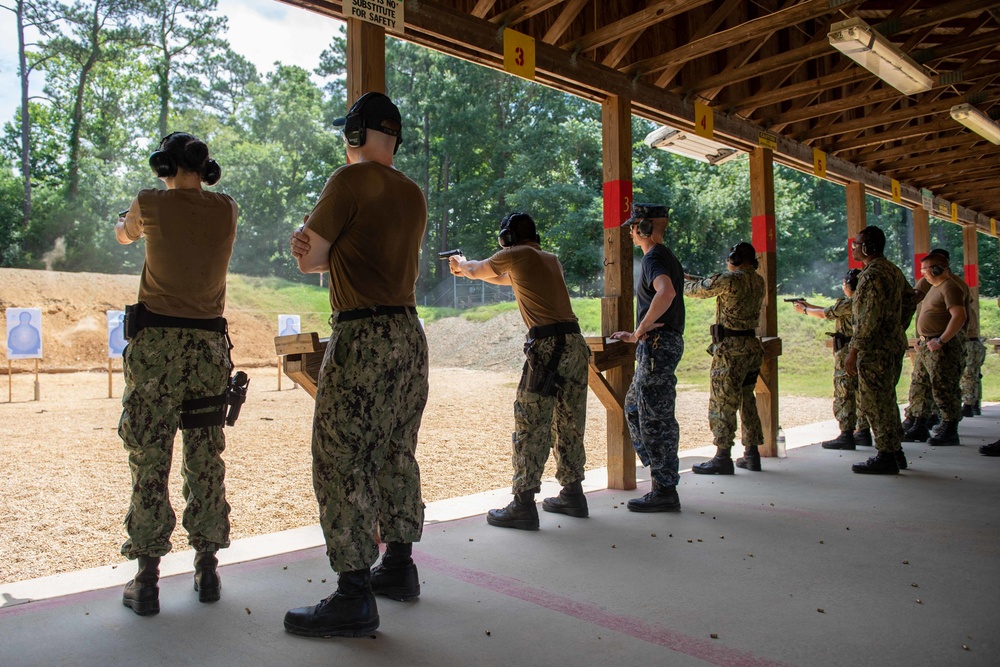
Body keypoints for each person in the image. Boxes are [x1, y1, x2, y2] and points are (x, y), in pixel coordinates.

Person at [283, 92, 429, 638]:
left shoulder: (348, 181)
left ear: (354, 133)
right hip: (409, 334)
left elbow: (311, 259)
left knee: (339, 458)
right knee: (395, 449)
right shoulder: (413, 192)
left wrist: (304, 248)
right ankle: (398, 566)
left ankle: (352, 594)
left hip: (363, 331)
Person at [115, 132, 237, 616]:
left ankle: (146, 578)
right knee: (205, 454)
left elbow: (125, 234)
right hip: (208, 347)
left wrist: (130, 220)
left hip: (157, 348)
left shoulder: (149, 202)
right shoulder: (226, 208)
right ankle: (207, 569)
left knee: (150, 454)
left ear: (163, 165)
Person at [449, 212, 590, 530]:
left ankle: (523, 503)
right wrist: (467, 271)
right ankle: (573, 494)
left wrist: (463, 264)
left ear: (507, 239)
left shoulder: (516, 254)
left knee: (531, 423)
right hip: (574, 344)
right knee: (569, 423)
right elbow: (502, 278)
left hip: (548, 347)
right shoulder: (547, 259)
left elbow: (477, 269)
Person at [609, 203, 685, 512]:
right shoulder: (663, 256)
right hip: (657, 344)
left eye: (633, 225)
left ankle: (665, 487)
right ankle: (661, 476)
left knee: (655, 417)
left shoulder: (654, 256)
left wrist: (640, 330)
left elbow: (665, 293)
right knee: (635, 408)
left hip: (657, 345)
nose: (629, 230)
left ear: (644, 227)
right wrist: (637, 334)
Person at [684, 242, 765, 474]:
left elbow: (695, 290)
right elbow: (714, 282)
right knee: (746, 398)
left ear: (734, 258)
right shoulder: (757, 281)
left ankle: (722, 456)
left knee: (723, 401)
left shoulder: (730, 280)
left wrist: (677, 279)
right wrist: (692, 276)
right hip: (751, 346)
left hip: (731, 350)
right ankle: (751, 453)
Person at [846, 226, 914, 474]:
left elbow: (868, 318)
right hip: (891, 343)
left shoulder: (872, 274)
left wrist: (854, 350)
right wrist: (898, 325)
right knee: (886, 398)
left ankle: (886, 455)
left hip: (876, 349)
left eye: (857, 243)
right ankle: (895, 452)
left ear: (868, 247)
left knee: (875, 401)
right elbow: (910, 299)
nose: (853, 247)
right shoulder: (892, 269)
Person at [793, 269, 871, 449]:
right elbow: (830, 311)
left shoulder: (849, 303)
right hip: (862, 351)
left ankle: (846, 434)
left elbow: (825, 314)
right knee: (860, 391)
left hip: (847, 352)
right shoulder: (865, 302)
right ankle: (863, 432)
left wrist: (804, 310)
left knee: (844, 391)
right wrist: (808, 305)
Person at [903, 253, 967, 447]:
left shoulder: (950, 287)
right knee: (920, 385)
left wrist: (941, 340)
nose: (923, 274)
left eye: (925, 270)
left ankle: (949, 428)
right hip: (927, 345)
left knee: (943, 386)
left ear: (937, 269)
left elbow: (959, 316)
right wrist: (922, 339)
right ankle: (920, 423)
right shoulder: (935, 287)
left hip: (940, 347)